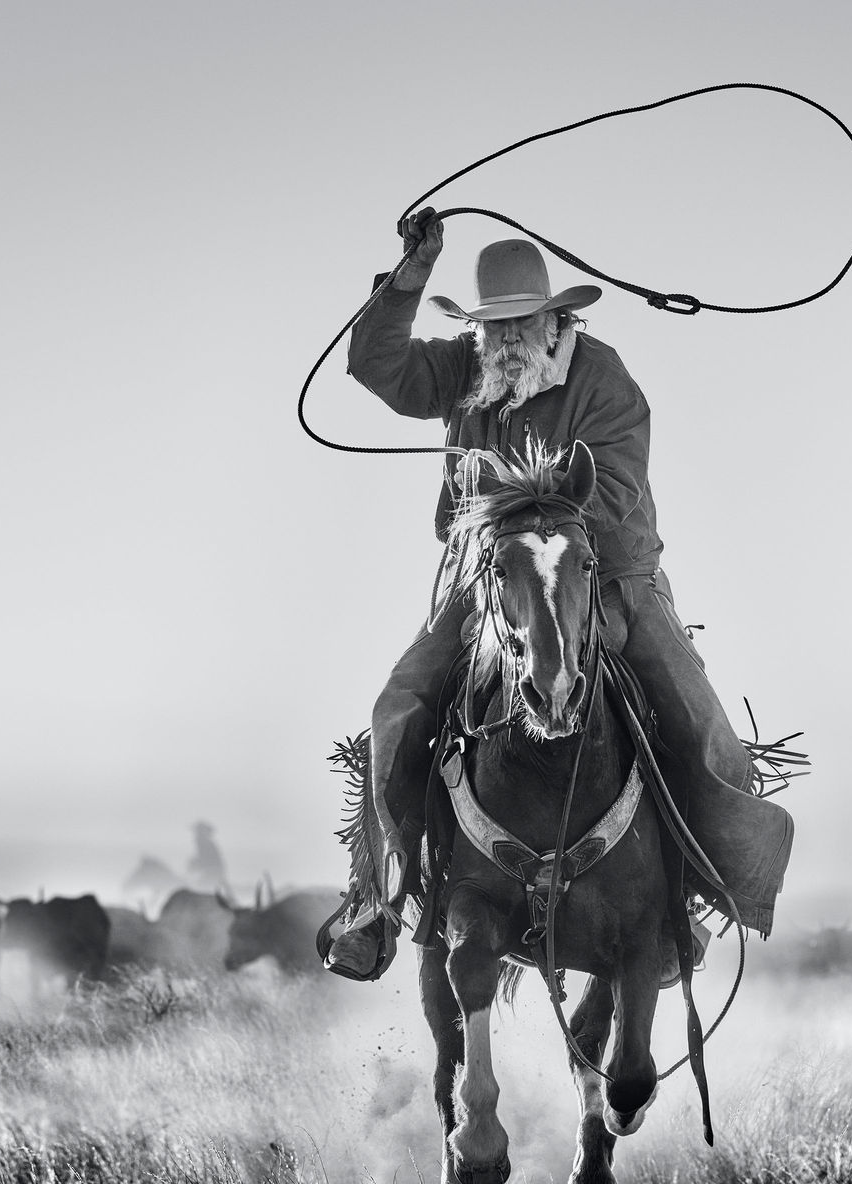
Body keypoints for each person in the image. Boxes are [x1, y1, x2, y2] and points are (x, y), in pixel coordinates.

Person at [324, 210, 794, 979]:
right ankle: (377, 900)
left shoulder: (604, 380)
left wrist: (518, 508)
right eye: (493, 325)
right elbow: (381, 369)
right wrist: (408, 282)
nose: (506, 339)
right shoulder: (463, 371)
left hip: (606, 578)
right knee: (399, 705)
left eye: (522, 321)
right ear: (477, 328)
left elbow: (609, 495)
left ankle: (697, 897)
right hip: (485, 584)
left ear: (554, 318)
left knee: (700, 721)